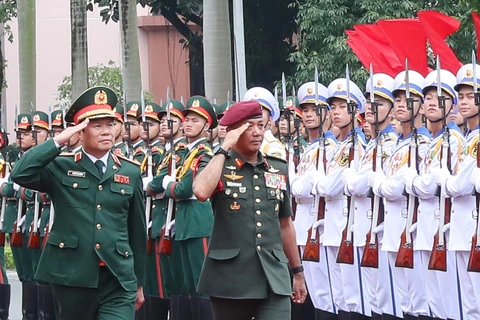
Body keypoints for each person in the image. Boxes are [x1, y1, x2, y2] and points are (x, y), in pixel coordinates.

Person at [11, 86, 147, 320]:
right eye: (96, 126)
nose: (106, 131)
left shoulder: (130, 171)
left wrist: (139, 283)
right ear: (80, 132)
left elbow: (137, 230)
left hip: (117, 277)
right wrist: (58, 141)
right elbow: (20, 174)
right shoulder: (61, 166)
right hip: (73, 275)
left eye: (110, 124)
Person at [192, 100, 307, 320]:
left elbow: (285, 224)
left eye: (260, 125)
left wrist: (297, 272)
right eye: (248, 127)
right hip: (231, 279)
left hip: (273, 276)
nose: (257, 133)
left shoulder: (277, 167)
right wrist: (224, 147)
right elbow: (200, 191)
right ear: (234, 131)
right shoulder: (216, 163)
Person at [404, 69, 463, 319]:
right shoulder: (430, 142)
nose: (430, 103)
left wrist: (417, 182)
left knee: (451, 303)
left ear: (452, 105)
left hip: (445, 228)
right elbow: (421, 185)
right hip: (426, 227)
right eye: (427, 97)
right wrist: (419, 183)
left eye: (439, 98)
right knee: (431, 302)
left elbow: (430, 187)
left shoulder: (455, 140)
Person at [371, 70, 430, 319]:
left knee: (420, 302)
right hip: (394, 230)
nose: (401, 105)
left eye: (409, 99)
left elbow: (395, 187)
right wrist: (385, 185)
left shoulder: (424, 143)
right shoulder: (397, 144)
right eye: (398, 100)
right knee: (403, 302)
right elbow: (388, 184)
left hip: (413, 230)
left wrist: (383, 185)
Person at [343, 73, 400, 319]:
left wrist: (353, 178)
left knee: (387, 301)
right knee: (374, 299)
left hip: (380, 229)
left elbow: (358, 183)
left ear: (392, 109)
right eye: (369, 101)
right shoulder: (373, 145)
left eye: (379, 102)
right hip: (365, 229)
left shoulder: (389, 144)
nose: (371, 107)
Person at [435, 63, 480, 318]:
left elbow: (461, 184)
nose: (463, 102)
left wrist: (446, 180)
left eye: (470, 96)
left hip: (473, 225)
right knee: (468, 301)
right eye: (460, 96)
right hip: (463, 228)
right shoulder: (469, 136)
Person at [290, 81, 337, 320]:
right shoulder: (306, 149)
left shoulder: (331, 147)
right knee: (309, 295)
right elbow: (296, 187)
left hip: (322, 228)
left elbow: (312, 187)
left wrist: (302, 185)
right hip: (303, 228)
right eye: (305, 110)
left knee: (327, 296)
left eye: (315, 110)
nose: (309, 115)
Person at [243, 87, 286, 160]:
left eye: (260, 112)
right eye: (252, 111)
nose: (255, 115)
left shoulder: (273, 147)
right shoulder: (243, 141)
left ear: (270, 119)